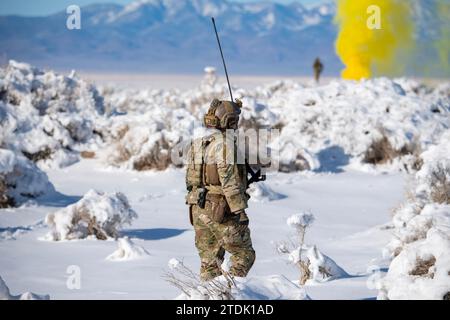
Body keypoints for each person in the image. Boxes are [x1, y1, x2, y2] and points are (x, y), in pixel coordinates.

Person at [185, 98, 255, 281]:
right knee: (244, 255)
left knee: (209, 264)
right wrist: (240, 211)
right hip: (221, 210)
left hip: (198, 209)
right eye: (235, 120)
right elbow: (229, 181)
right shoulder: (225, 145)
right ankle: (233, 294)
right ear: (229, 120)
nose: (238, 123)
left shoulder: (199, 144)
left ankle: (210, 296)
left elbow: (191, 181)